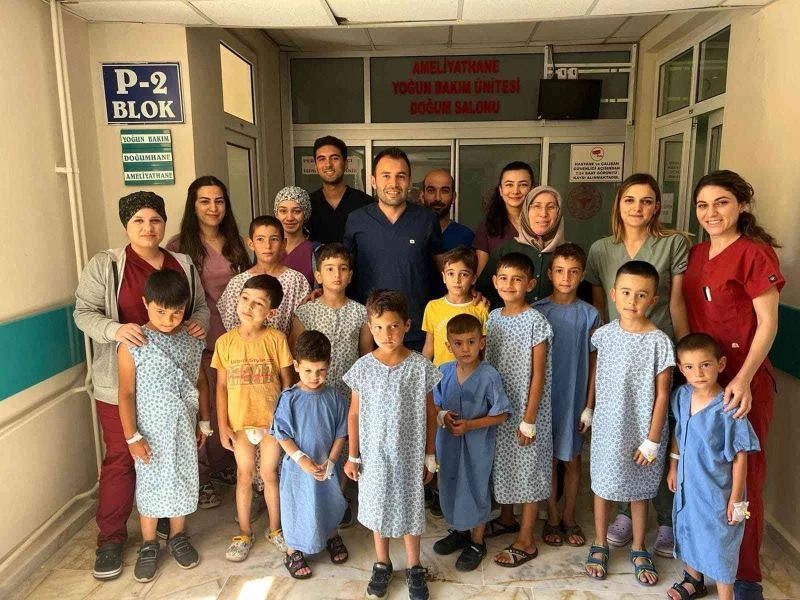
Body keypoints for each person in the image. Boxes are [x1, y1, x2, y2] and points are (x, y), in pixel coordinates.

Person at [74, 191, 209, 581]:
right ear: (126, 225)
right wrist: (116, 330)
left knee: (171, 458)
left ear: (164, 223)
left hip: (174, 384)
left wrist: (196, 324)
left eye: (155, 220)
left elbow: (199, 307)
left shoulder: (182, 263)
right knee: (123, 457)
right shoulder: (108, 265)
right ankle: (111, 539)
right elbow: (83, 313)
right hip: (123, 379)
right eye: (138, 221)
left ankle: (171, 526)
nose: (148, 228)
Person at [682, 170, 783, 599]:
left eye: (721, 202)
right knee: (698, 476)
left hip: (742, 383)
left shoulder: (755, 255)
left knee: (744, 478)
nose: (711, 212)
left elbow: (768, 323)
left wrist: (742, 378)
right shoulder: (696, 254)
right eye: (703, 205)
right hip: (702, 382)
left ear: (741, 205)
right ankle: (700, 566)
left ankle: (745, 576)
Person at [585, 173, 689, 557]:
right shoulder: (601, 249)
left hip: (656, 357)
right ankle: (623, 516)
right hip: (617, 354)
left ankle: (664, 519)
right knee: (618, 438)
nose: (637, 208)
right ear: (619, 203)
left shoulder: (673, 244)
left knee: (655, 433)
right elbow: (601, 308)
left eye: (646, 201)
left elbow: (676, 303)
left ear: (657, 206)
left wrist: (686, 355)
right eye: (630, 199)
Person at [342, 290, 441, 600]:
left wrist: (429, 455)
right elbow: (354, 413)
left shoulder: (420, 367)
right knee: (377, 508)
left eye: (394, 326)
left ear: (407, 325)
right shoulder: (362, 368)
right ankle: (382, 563)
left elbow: (430, 413)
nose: (387, 334)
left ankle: (414, 566)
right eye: (379, 327)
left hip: (409, 457)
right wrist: (353, 455)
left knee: (411, 509)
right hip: (373, 458)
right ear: (370, 328)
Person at [585, 260, 674, 587]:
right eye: (625, 293)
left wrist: (652, 440)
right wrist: (589, 408)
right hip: (608, 427)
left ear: (653, 299)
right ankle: (600, 542)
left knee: (640, 490)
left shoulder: (659, 342)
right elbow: (596, 374)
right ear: (613, 294)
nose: (632, 301)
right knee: (602, 485)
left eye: (641, 295)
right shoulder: (603, 335)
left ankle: (638, 547)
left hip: (642, 430)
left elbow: (663, 394)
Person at [117, 270, 210, 582]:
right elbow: (126, 393)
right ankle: (148, 543)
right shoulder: (134, 344)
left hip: (184, 427)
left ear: (186, 307)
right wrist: (132, 437)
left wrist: (204, 421)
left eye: (177, 312)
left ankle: (177, 536)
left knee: (183, 478)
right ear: (146, 303)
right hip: (150, 433)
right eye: (160, 312)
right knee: (151, 483)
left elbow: (201, 381)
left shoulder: (192, 339)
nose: (169, 320)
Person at [167, 175, 250, 509]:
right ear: (193, 205)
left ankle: (223, 464)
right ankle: (201, 478)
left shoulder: (237, 243)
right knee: (203, 409)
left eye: (219, 201)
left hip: (237, 338)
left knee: (230, 406)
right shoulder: (179, 247)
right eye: (205, 201)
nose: (213, 208)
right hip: (199, 339)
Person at [666, 333, 761, 600]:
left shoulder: (729, 407)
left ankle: (725, 595)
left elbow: (740, 456)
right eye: (689, 367)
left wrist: (735, 498)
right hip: (688, 485)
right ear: (681, 368)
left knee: (720, 543)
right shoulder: (682, 396)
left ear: (720, 364)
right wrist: (673, 466)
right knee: (689, 529)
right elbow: (679, 432)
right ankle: (693, 580)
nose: (698, 373)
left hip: (718, 491)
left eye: (705, 365)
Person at [289, 243, 373, 527]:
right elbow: (297, 355)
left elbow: (365, 355)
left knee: (344, 441)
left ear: (350, 275)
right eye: (329, 269)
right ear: (318, 274)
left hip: (348, 392)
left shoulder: (361, 313)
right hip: (314, 392)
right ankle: (316, 498)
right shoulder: (305, 313)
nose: (337, 274)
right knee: (317, 442)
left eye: (343, 268)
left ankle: (340, 497)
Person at [212, 274, 294, 562]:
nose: (249, 306)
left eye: (258, 303)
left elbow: (287, 382)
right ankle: (244, 533)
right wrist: (222, 425)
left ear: (271, 312)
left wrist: (283, 420)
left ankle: (275, 529)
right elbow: (221, 387)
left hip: (271, 424)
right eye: (245, 298)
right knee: (244, 476)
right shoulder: (224, 342)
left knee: (270, 475)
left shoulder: (276, 339)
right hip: (240, 424)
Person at [484, 253, 553, 568]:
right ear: (495, 281)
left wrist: (529, 420)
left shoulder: (536, 321)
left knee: (528, 469)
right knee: (505, 464)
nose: (509, 285)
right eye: (504, 278)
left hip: (528, 409)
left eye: (517, 279)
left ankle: (526, 539)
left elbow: (538, 374)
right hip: (501, 407)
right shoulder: (493, 317)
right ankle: (507, 519)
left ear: (531, 284)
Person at [431, 314, 510, 572]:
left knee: (475, 487)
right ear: (448, 345)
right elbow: (434, 405)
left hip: (477, 446)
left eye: (471, 342)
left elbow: (502, 414)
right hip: (448, 444)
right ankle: (459, 530)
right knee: (451, 484)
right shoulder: (443, 372)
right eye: (458, 343)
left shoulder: (489, 376)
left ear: (482, 343)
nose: (465, 349)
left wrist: (470, 425)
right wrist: (443, 415)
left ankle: (477, 541)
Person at [344, 147, 443, 352]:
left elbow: (443, 268)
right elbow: (344, 270)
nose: (393, 183)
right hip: (372, 333)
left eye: (401, 176)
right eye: (386, 175)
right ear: (373, 181)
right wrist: (321, 290)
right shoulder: (356, 220)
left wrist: (467, 294)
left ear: (409, 181)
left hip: (416, 332)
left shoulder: (426, 219)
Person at [533, 243, 599, 548]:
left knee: (572, 459)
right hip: (545, 399)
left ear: (582, 275)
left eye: (573, 272)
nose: (566, 277)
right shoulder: (538, 312)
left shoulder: (590, 315)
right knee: (548, 459)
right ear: (550, 273)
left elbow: (595, 363)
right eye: (559, 271)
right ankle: (553, 516)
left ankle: (570, 517)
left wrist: (589, 405)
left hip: (574, 397)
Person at [271, 330, 349, 580]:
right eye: (308, 371)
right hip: (298, 468)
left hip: (327, 465)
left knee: (330, 500)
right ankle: (293, 550)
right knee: (297, 504)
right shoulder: (289, 399)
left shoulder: (334, 396)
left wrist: (332, 461)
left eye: (321, 371)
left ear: (329, 365)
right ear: (296, 366)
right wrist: (302, 460)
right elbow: (282, 434)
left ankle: (331, 535)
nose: (315, 377)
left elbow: (341, 432)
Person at [218, 216, 311, 337]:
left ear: (283, 244)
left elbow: (302, 324)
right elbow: (232, 328)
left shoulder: (296, 280)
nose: (267, 246)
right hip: (245, 348)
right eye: (260, 239)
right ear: (251, 244)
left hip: (285, 347)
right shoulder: (237, 283)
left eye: (274, 239)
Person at [477, 185, 563, 309]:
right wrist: (512, 312)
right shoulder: (506, 249)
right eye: (536, 206)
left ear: (559, 212)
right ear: (526, 210)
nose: (543, 213)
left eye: (551, 207)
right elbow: (485, 292)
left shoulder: (568, 253)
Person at [422, 246, 489, 367]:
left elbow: (484, 349)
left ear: (473, 279)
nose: (457, 280)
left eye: (463, 274)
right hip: (439, 374)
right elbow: (429, 347)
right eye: (451, 273)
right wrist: (423, 372)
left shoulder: (481, 307)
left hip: (471, 373)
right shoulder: (432, 307)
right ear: (444, 277)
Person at [307, 135, 372, 244]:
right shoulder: (307, 205)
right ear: (315, 166)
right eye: (322, 159)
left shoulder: (366, 204)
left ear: (345, 164)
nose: (328, 164)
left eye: (334, 158)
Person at [473, 161, 534, 277]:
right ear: (501, 190)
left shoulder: (542, 223)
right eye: (509, 185)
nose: (515, 191)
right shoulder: (487, 226)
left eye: (523, 185)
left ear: (532, 189)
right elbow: (482, 274)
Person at [421, 169, 474, 297]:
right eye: (431, 190)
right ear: (422, 196)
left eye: (444, 191)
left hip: (454, 306)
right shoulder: (411, 233)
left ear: (454, 197)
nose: (437, 198)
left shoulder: (466, 236)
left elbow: (473, 282)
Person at [274, 186, 317, 288]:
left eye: (296, 211)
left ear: (305, 214)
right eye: (283, 211)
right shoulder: (266, 248)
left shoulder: (316, 251)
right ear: (276, 214)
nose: (289, 218)